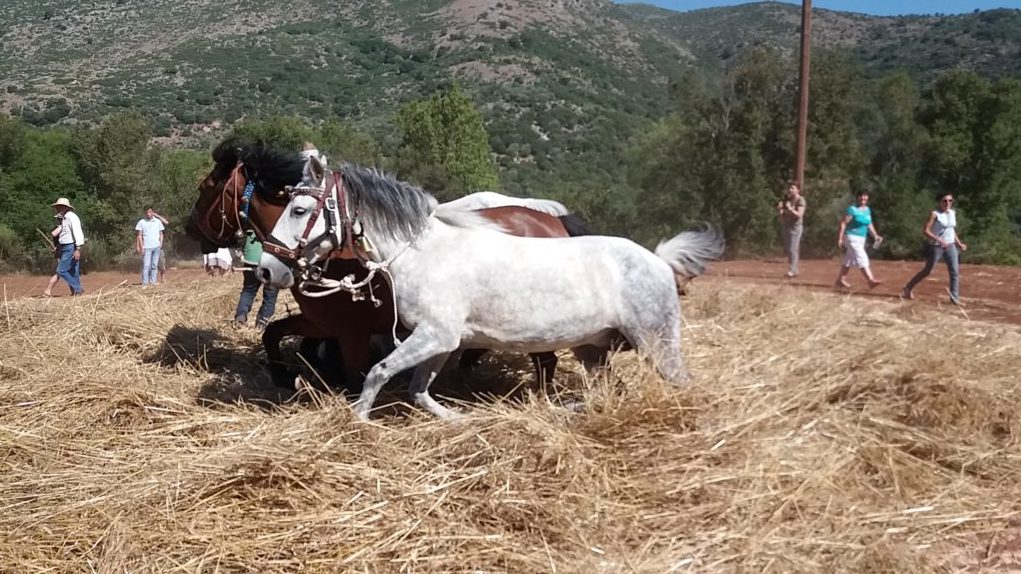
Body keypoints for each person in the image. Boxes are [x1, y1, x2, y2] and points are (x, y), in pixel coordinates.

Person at [902, 192, 968, 305]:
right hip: (937, 246)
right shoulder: (934, 214)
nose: (948, 203)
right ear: (939, 202)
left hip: (950, 245)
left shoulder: (952, 213)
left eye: (950, 201)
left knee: (954, 272)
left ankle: (954, 298)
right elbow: (925, 230)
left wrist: (959, 243)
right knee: (928, 270)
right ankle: (908, 287)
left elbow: (951, 230)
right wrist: (939, 240)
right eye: (945, 201)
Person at [835, 190, 883, 290]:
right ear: (857, 197)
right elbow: (843, 223)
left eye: (865, 196)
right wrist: (840, 238)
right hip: (851, 237)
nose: (863, 198)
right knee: (862, 257)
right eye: (861, 196)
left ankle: (840, 280)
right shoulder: (852, 209)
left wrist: (875, 235)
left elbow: (868, 224)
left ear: (868, 198)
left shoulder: (867, 210)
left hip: (861, 238)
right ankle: (870, 280)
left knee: (848, 259)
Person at [234, 230, 278, 330]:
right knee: (270, 295)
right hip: (271, 262)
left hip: (251, 260)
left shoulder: (250, 222)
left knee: (248, 291)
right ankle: (262, 322)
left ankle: (240, 317)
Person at [50, 197, 85, 296]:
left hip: (70, 246)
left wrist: (78, 249)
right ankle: (76, 293)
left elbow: (77, 232)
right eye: (57, 207)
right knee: (73, 270)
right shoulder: (64, 218)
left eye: (60, 206)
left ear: (66, 207)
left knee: (61, 270)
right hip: (66, 246)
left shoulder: (71, 217)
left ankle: (78, 289)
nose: (58, 208)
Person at [777, 182, 806, 278]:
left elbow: (799, 215)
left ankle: (792, 269)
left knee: (793, 248)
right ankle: (795, 269)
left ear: (798, 190)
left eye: (792, 188)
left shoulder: (800, 200)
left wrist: (789, 208)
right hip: (787, 225)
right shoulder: (787, 200)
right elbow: (782, 215)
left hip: (796, 227)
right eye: (789, 188)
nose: (790, 190)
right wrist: (781, 209)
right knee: (789, 249)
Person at [134, 206, 165, 287]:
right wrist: (141, 246)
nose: (148, 214)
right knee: (146, 266)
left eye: (150, 212)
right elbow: (139, 235)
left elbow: (161, 233)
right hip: (147, 247)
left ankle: (153, 282)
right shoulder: (141, 222)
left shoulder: (157, 221)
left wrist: (161, 243)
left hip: (156, 247)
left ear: (153, 212)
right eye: (147, 212)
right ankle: (145, 284)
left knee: (154, 265)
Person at [42, 214, 63, 297]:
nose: (58, 220)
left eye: (59, 219)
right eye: (58, 219)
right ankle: (48, 290)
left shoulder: (60, 228)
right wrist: (57, 247)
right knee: (61, 272)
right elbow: (55, 236)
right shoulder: (60, 228)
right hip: (62, 252)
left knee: (68, 272)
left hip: (60, 251)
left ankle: (76, 291)